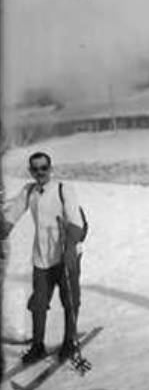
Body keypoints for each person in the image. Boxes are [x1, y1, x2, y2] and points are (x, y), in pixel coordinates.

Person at [2, 152, 88, 363]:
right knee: (38, 303)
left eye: (43, 168)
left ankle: (70, 341)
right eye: (35, 169)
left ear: (50, 168)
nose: (40, 173)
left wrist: (69, 250)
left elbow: (76, 223)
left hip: (66, 255)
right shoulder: (29, 191)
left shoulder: (63, 189)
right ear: (30, 171)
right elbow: (8, 222)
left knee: (70, 300)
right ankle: (38, 346)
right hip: (42, 258)